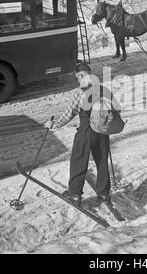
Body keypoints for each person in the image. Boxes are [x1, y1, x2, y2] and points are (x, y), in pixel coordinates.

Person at [45, 62, 120, 206]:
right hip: (103, 132)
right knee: (101, 161)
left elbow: (69, 114)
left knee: (78, 160)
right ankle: (104, 194)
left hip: (86, 131)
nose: (78, 81)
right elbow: (117, 107)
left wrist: (53, 125)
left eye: (77, 78)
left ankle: (74, 194)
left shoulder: (80, 92)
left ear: (80, 75)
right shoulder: (104, 89)